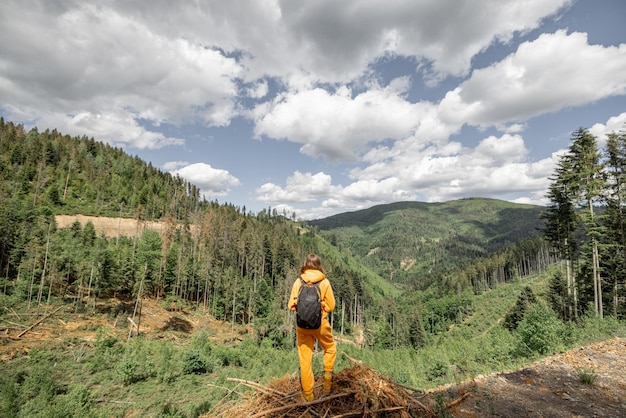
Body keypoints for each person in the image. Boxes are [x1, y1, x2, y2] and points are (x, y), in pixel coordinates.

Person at [288, 253, 337, 402]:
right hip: (320, 324)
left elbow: (291, 306)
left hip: (302, 325)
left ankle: (308, 394)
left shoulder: (298, 282)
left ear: (305, 264)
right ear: (319, 265)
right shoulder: (325, 282)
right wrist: (320, 306)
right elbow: (331, 306)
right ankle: (327, 384)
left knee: (305, 358)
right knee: (330, 348)